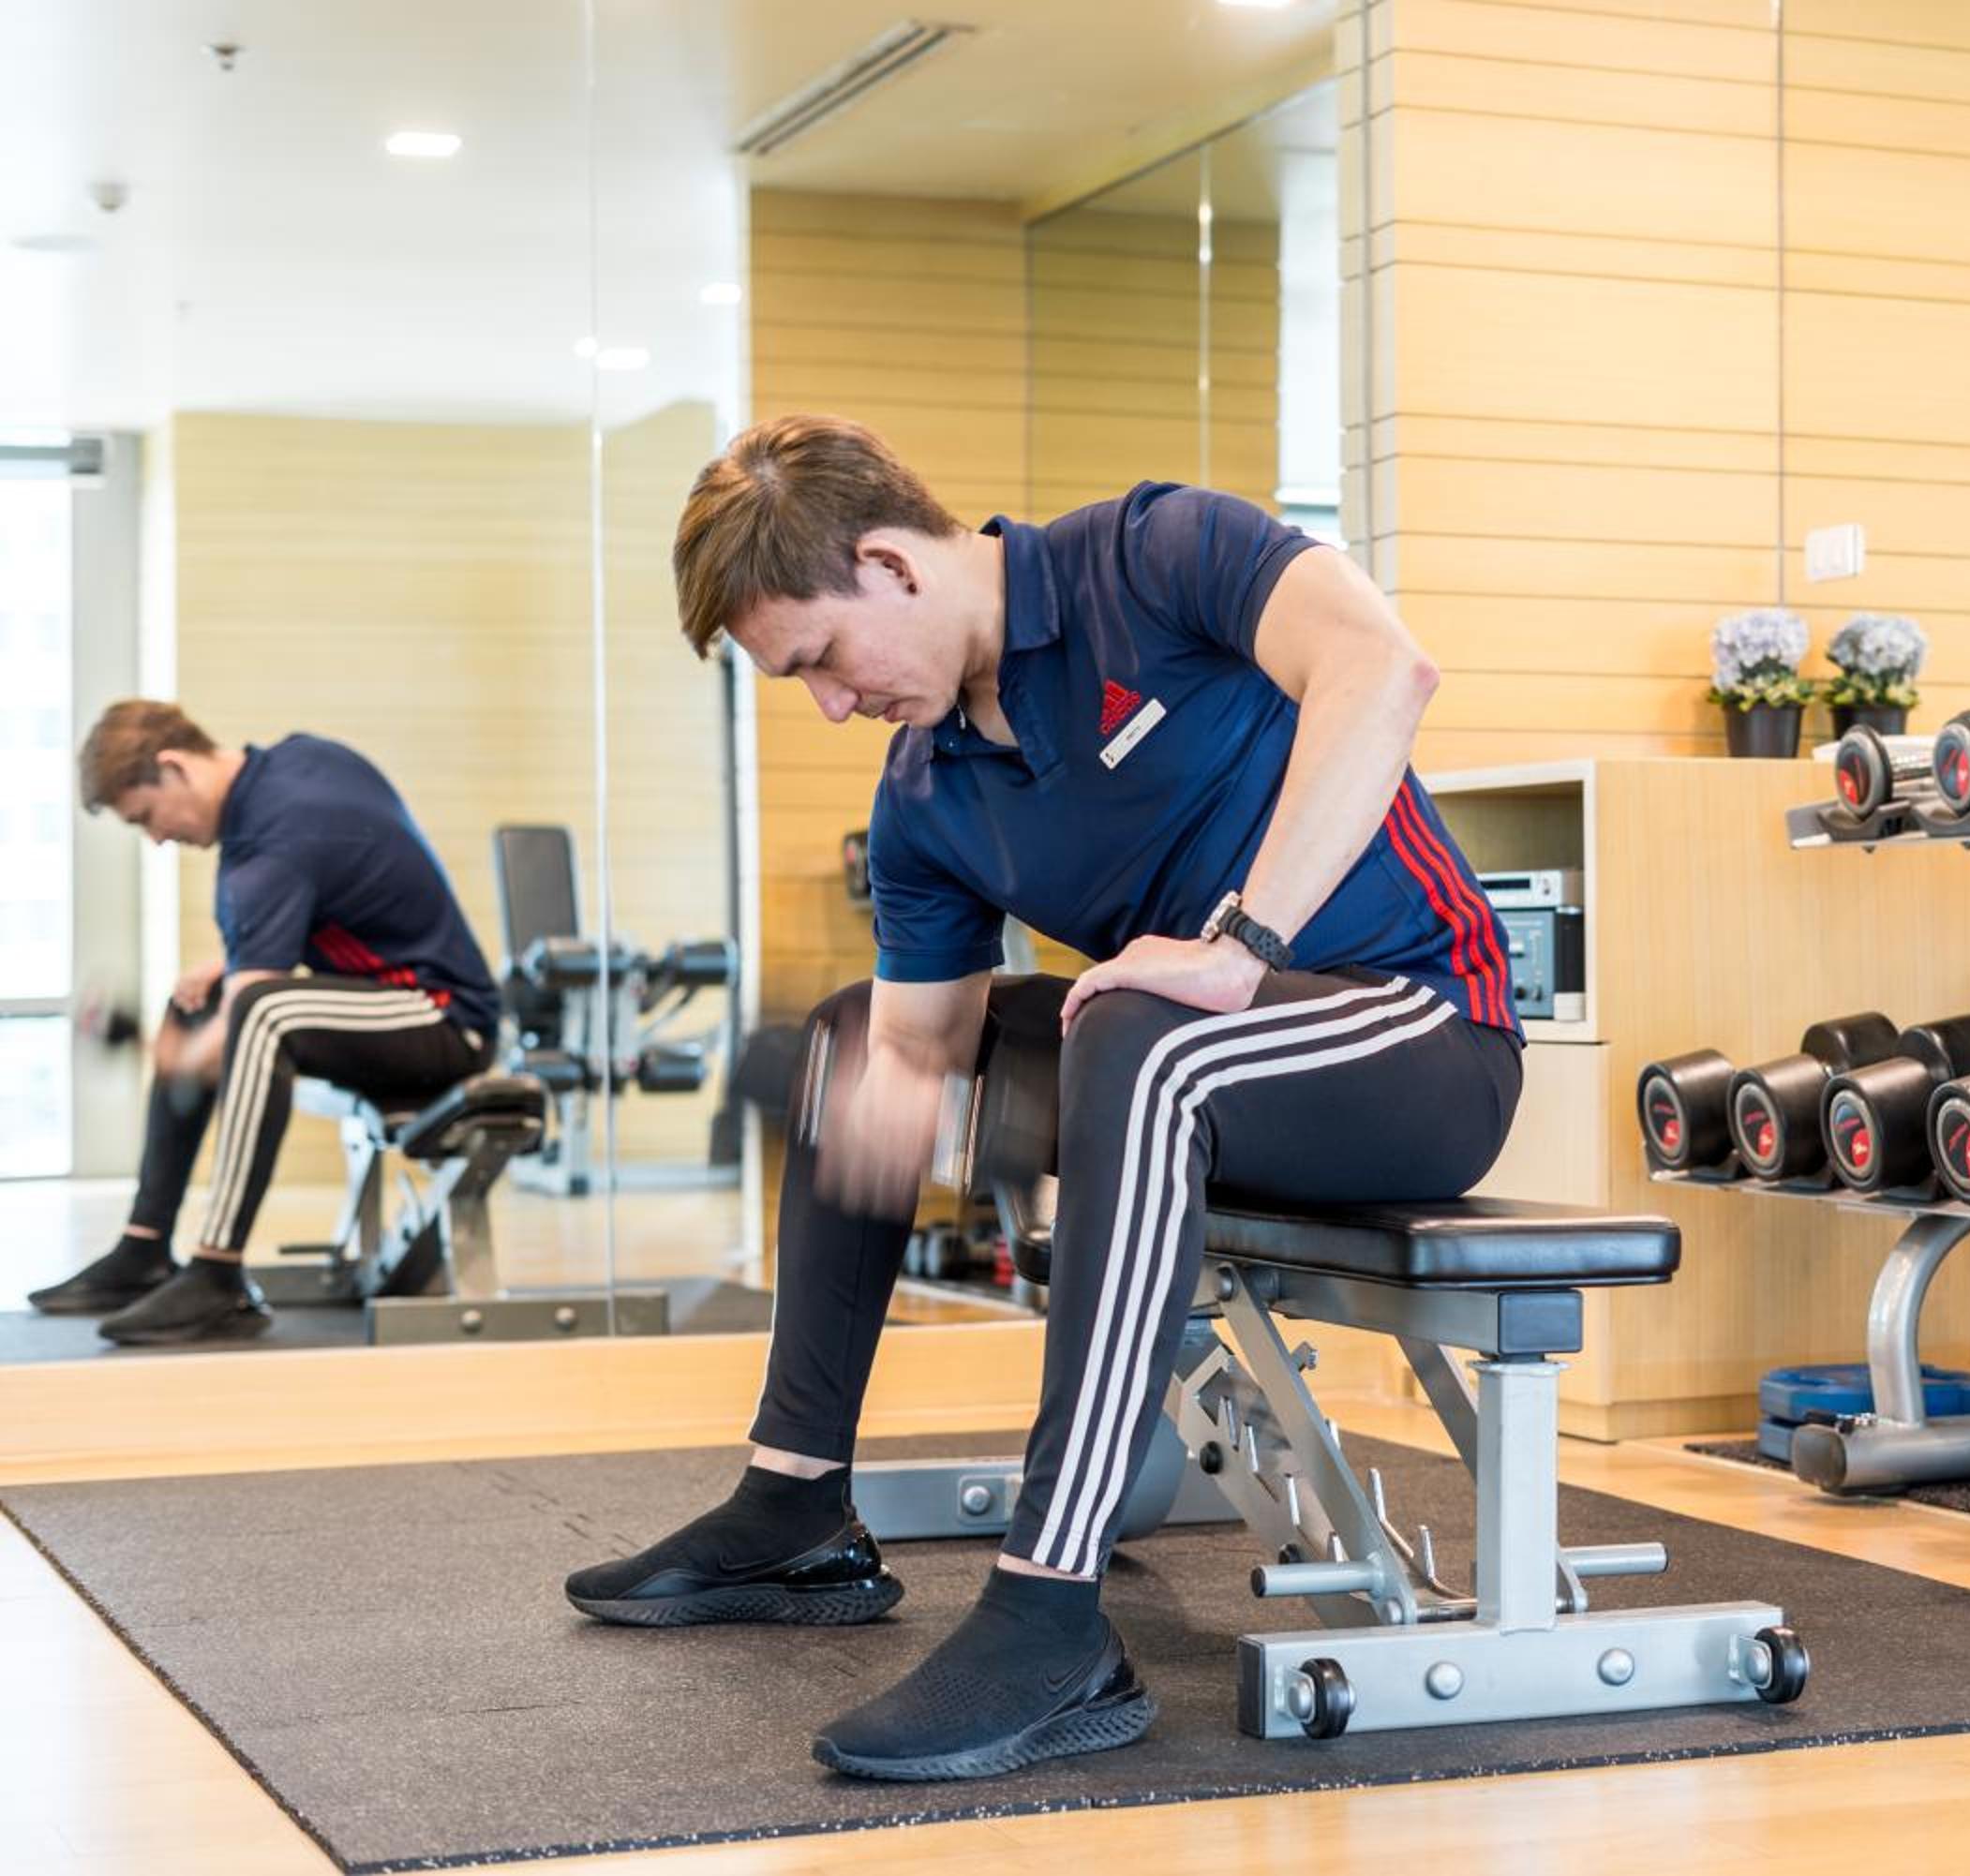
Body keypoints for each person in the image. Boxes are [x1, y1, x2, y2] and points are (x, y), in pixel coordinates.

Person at [562, 415, 1522, 1782]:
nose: (828, 703)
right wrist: (876, 1113)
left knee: (1142, 1034)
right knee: (854, 1039)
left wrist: (1239, 944)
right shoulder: (926, 793)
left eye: (821, 658)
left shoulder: (1155, 555)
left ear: (891, 565)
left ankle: (1051, 1611)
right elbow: (919, 1052)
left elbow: (1385, 665)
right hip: (1197, 1058)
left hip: (1417, 1031)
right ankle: (794, 1506)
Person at [33, 703, 500, 1345]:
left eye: (145, 817)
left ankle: (217, 1273)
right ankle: (144, 1249)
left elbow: (246, 1010)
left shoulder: (268, 843)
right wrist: (197, 1027)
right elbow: (319, 901)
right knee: (200, 998)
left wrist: (180, 1061)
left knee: (261, 1011)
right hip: (378, 999)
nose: (157, 839)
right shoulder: (299, 764)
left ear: (174, 767)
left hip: (444, 1019)